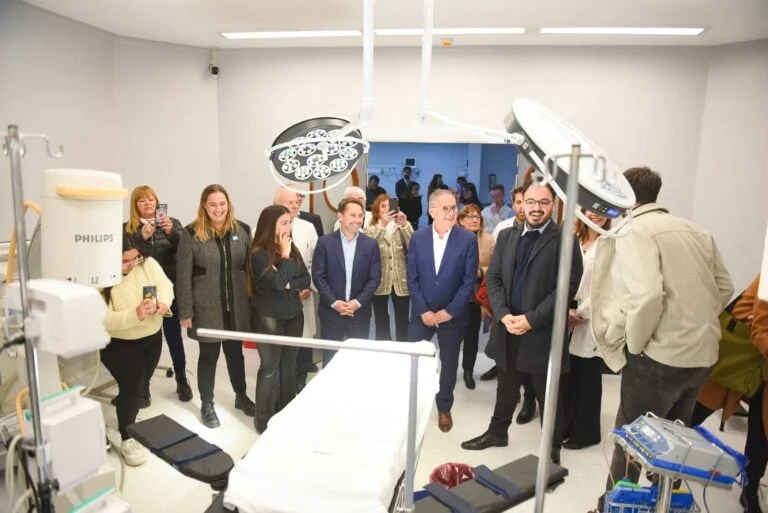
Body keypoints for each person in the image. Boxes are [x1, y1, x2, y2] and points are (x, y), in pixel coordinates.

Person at [588, 167, 733, 512]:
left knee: (632, 440)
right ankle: (663, 504)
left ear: (625, 194)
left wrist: (637, 345)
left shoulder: (634, 231)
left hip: (660, 358)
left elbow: (647, 297)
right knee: (674, 442)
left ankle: (612, 506)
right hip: (702, 356)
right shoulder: (698, 231)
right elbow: (725, 288)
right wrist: (693, 321)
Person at [461, 181, 583, 467]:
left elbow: (565, 288)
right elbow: (494, 279)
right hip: (508, 326)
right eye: (531, 202)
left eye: (543, 202)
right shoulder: (507, 236)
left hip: (541, 331)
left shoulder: (564, 239)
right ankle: (497, 432)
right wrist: (503, 314)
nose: (536, 208)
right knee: (506, 386)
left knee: (547, 395)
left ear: (552, 205)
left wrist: (531, 319)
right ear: (522, 204)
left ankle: (551, 449)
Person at [176, 184, 255, 428]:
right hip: (206, 306)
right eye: (213, 204)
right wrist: (185, 311)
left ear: (228, 205)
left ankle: (241, 396)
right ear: (204, 206)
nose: (218, 209)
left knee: (235, 354)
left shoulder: (242, 230)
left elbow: (250, 270)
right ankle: (207, 403)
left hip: (236, 306)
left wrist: (253, 303)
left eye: (222, 204)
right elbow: (183, 276)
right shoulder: (191, 234)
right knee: (208, 356)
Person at [691, 273, 767, 513]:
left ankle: (750, 487)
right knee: (696, 410)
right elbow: (760, 329)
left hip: (762, 367)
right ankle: (665, 466)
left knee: (761, 431)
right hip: (740, 357)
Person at [407, 189, 478, 432]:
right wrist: (424, 311)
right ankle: (413, 402)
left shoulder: (467, 240)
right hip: (422, 313)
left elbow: (469, 282)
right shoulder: (418, 238)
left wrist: (448, 312)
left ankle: (444, 407)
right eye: (445, 208)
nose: (451, 213)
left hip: (452, 315)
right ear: (431, 210)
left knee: (449, 363)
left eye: (453, 208)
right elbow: (412, 278)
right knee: (414, 359)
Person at [102, 236, 173, 466]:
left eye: (136, 258)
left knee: (142, 383)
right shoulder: (100, 278)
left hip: (152, 336)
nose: (133, 264)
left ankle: (126, 405)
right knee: (132, 389)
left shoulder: (147, 263)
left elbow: (166, 286)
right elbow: (103, 320)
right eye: (125, 261)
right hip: (120, 343)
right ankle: (127, 437)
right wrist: (135, 315)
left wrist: (163, 303)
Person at [123, 185, 192, 404]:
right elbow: (126, 258)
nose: (148, 203)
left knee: (174, 336)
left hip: (169, 288)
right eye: (142, 200)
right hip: (143, 289)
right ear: (135, 205)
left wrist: (172, 233)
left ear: (157, 202)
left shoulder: (173, 223)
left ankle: (181, 378)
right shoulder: (127, 229)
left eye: (151, 199)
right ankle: (143, 385)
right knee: (147, 339)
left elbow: (185, 250)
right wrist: (141, 238)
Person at [247, 205, 311, 434]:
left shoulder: (291, 248)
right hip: (268, 316)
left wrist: (288, 283)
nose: (288, 227)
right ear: (270, 226)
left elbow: (305, 279)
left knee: (289, 366)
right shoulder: (258, 254)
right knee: (270, 367)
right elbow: (275, 284)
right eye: (284, 223)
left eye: (289, 222)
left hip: (293, 314)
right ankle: (262, 419)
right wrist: (284, 258)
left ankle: (286, 412)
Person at [482, 184, 537, 426]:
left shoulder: (546, 235)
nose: (522, 207)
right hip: (505, 310)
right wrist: (501, 311)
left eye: (527, 201)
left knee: (529, 364)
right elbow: (495, 274)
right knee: (505, 364)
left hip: (532, 314)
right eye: (519, 202)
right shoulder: (503, 230)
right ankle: (506, 406)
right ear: (514, 205)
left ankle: (529, 401)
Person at [562, 209, 611, 450]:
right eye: (592, 210)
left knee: (588, 379)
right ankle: (568, 425)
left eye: (602, 211)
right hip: (568, 314)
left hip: (591, 317)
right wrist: (566, 310)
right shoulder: (576, 241)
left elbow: (607, 287)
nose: (596, 215)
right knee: (571, 377)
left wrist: (581, 313)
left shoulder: (610, 244)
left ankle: (586, 433)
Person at [313, 197, 381, 366]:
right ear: (340, 216)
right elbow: (318, 276)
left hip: (359, 313)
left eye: (360, 215)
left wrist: (357, 303)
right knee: (330, 361)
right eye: (352, 215)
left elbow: (374, 278)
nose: (358, 220)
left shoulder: (370, 245)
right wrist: (335, 303)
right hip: (331, 313)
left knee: (357, 362)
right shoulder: (325, 243)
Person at [274, 187, 319, 387]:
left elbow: (316, 261)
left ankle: (300, 380)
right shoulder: (262, 229)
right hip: (278, 297)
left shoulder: (308, 227)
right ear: (277, 204)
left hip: (303, 293)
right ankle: (283, 383)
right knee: (281, 344)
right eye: (289, 202)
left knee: (304, 338)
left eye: (296, 201)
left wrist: (309, 286)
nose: (294, 205)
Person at [364, 194, 413, 341]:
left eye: (389, 205)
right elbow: (368, 249)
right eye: (383, 206)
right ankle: (384, 347)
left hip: (401, 279)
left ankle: (403, 348)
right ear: (376, 210)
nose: (386, 209)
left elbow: (414, 246)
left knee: (403, 319)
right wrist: (383, 226)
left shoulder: (402, 226)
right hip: (379, 280)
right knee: (381, 319)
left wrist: (405, 225)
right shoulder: (370, 228)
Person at [456, 204, 494, 390]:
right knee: (453, 336)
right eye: (470, 217)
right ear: (461, 220)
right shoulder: (453, 239)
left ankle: (468, 371)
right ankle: (448, 369)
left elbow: (495, 268)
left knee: (472, 336)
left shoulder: (488, 240)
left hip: (477, 297)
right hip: (455, 297)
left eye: (477, 216)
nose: (474, 220)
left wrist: (480, 271)